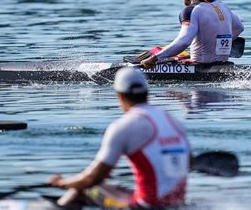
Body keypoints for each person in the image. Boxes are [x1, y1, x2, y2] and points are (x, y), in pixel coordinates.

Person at [48, 67, 190, 208]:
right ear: (146, 91)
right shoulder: (171, 119)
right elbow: (188, 161)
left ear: (120, 95)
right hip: (177, 204)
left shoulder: (125, 125)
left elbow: (91, 179)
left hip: (146, 206)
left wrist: (62, 183)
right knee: (108, 186)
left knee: (86, 188)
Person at [141, 0, 244, 66]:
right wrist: (216, 43)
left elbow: (184, 41)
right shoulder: (222, 6)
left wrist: (154, 59)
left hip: (200, 67)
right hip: (223, 63)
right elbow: (239, 27)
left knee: (156, 51)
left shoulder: (191, 10)